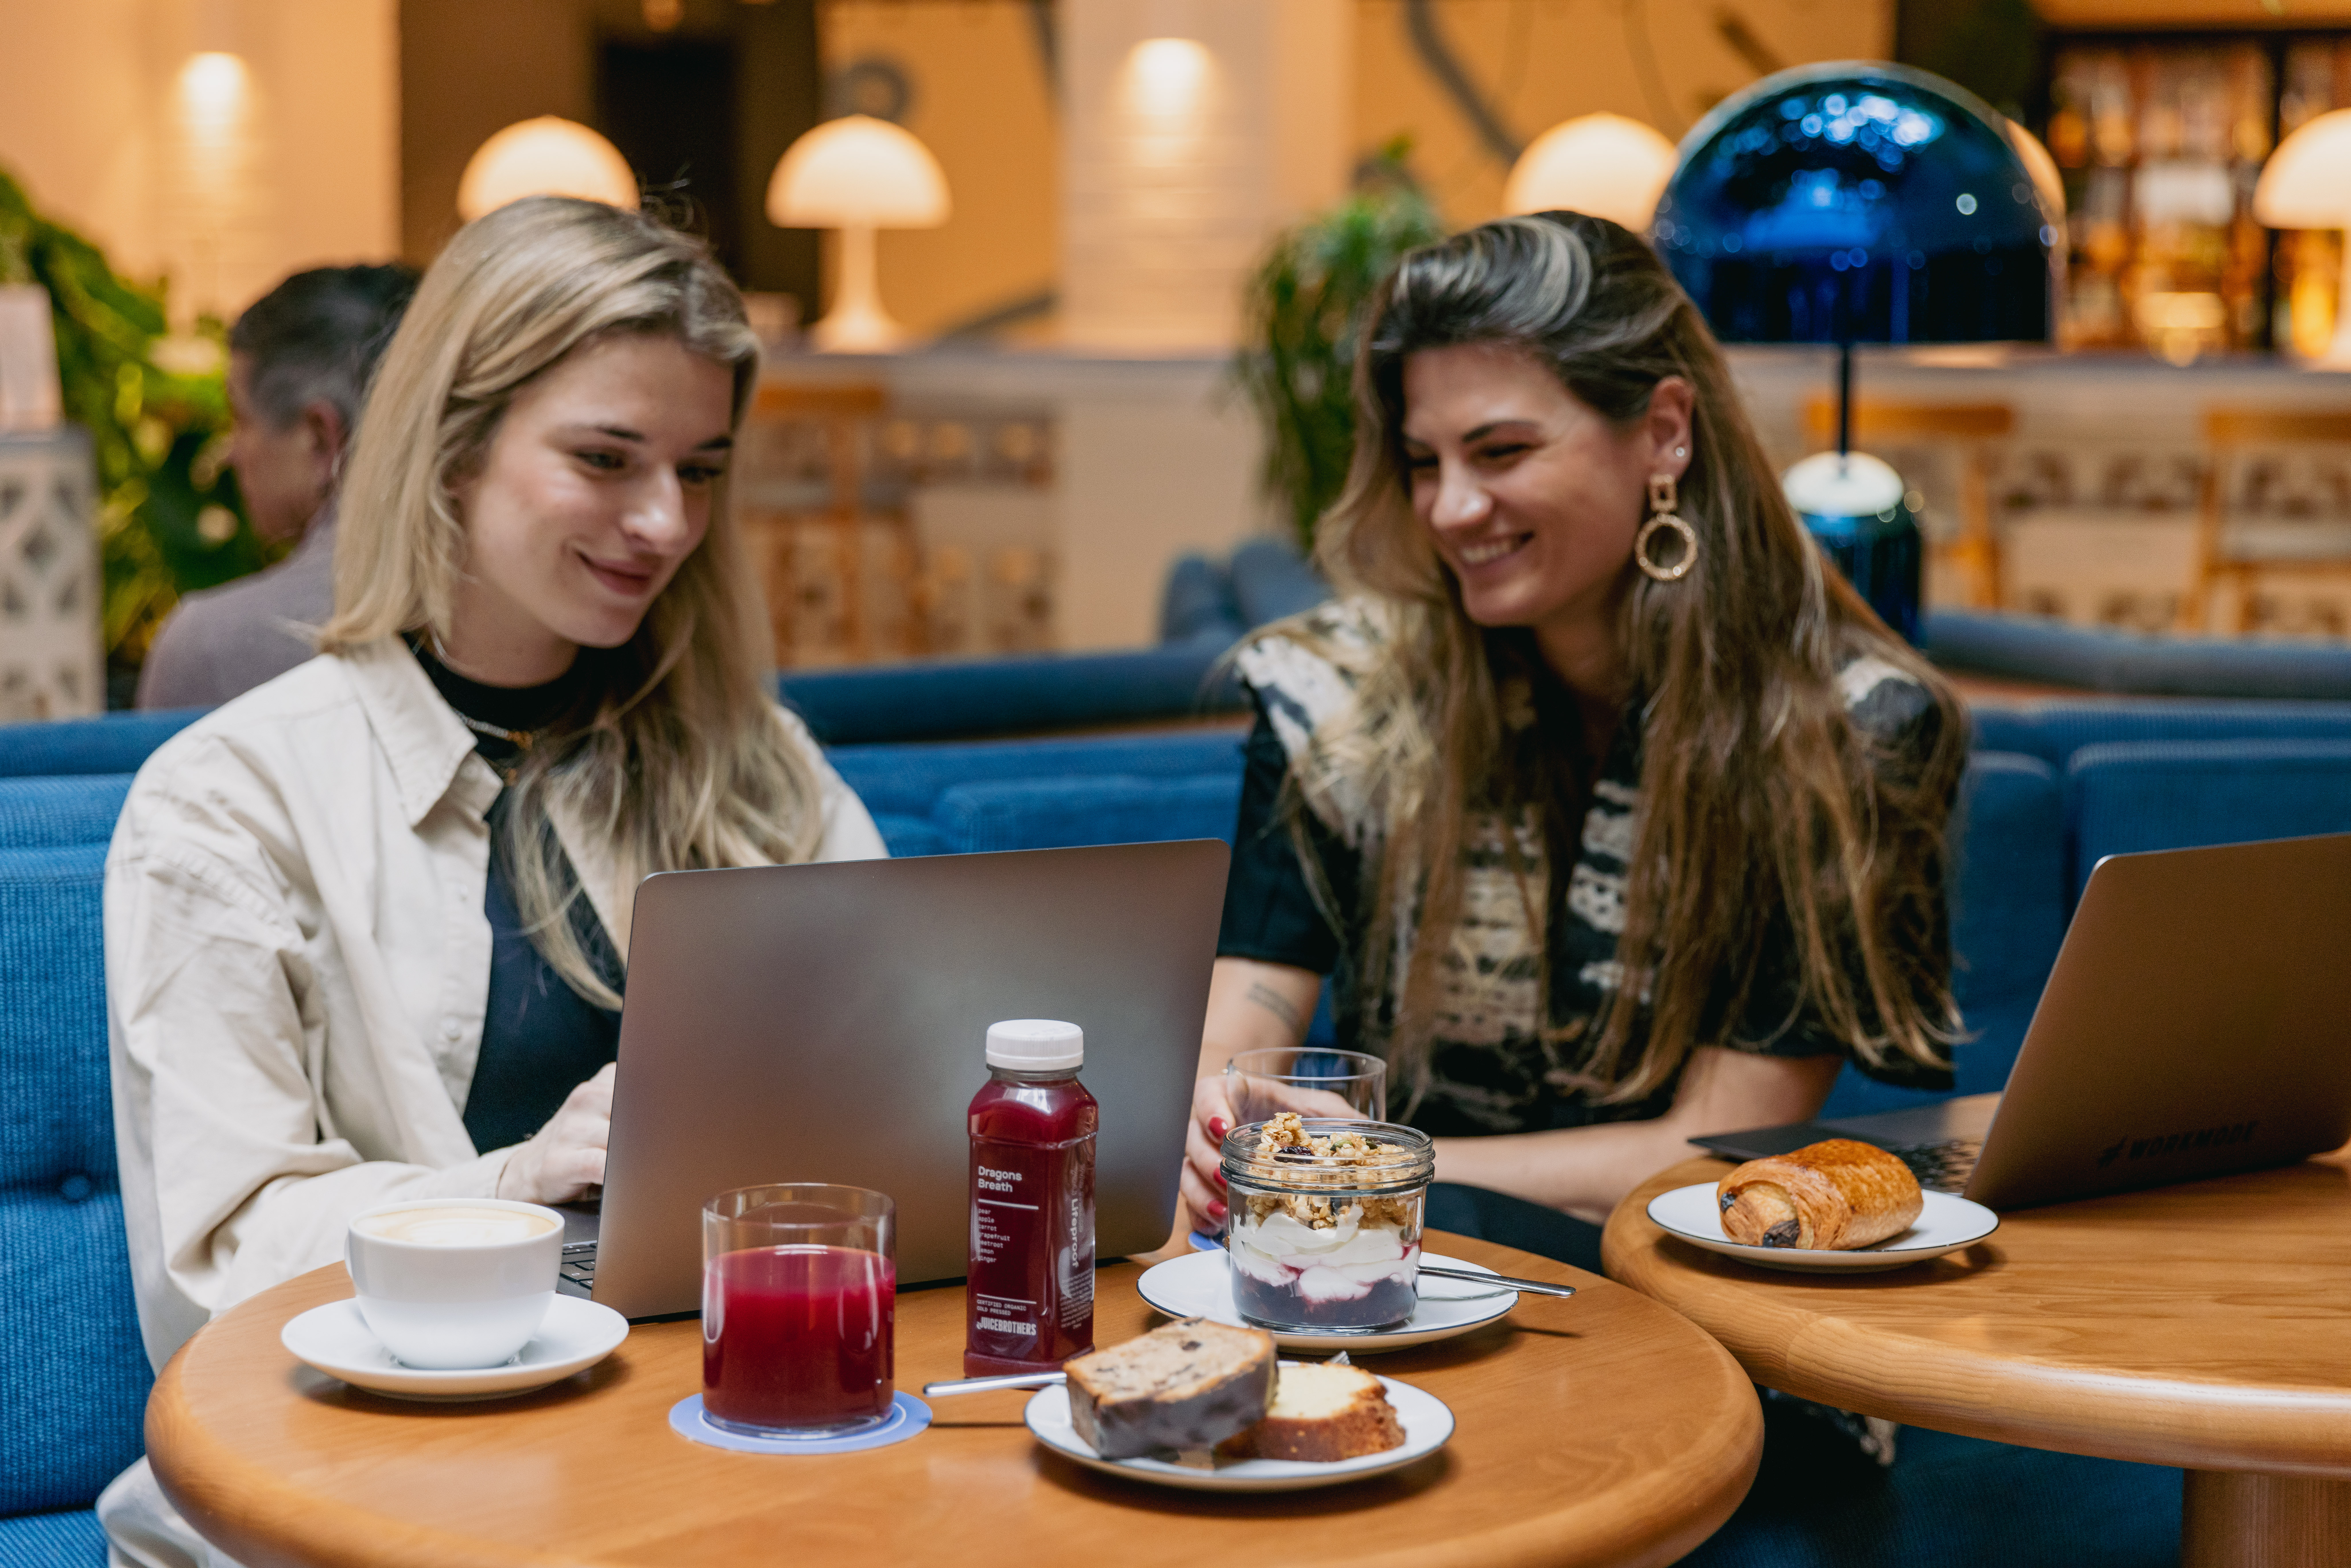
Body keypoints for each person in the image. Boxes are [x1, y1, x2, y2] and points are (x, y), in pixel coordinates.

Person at [99, 197, 885, 1567]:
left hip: (723, 1448)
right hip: (377, 1479)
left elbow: (898, 1059)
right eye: (605, 458)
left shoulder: (749, 762)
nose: (664, 521)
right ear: (451, 447)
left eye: (700, 469)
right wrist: (516, 1181)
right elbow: (217, 1267)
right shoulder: (229, 801)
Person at [1180, 212, 1967, 1272]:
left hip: (1704, 1307)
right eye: (1424, 462)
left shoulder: (1846, 738)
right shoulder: (1337, 698)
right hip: (1370, 1283)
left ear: (1664, 432)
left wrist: (1378, 1161)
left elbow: (1712, 1157)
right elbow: (1243, 1030)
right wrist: (1214, 1113)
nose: (1452, 508)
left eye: (1502, 450)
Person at [134, 263, 419, 710]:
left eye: (240, 419)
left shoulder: (213, 645)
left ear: (321, 437)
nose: (231, 452)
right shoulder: (509, 619)